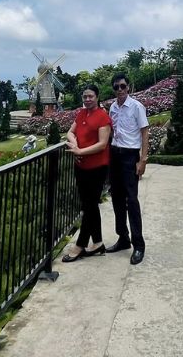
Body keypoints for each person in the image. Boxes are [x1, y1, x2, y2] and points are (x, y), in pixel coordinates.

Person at [62, 84, 112, 262]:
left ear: (97, 97)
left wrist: (80, 152)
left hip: (97, 168)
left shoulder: (102, 117)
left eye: (90, 96)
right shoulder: (81, 114)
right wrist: (74, 144)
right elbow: (70, 132)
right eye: (85, 96)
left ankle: (80, 245)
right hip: (81, 166)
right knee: (89, 204)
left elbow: (102, 144)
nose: (87, 99)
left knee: (88, 206)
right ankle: (97, 242)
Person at [107, 72, 149, 265]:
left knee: (131, 200)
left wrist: (143, 159)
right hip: (115, 155)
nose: (120, 90)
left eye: (122, 86)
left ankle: (138, 245)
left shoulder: (136, 106)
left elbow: (144, 132)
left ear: (128, 87)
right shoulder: (113, 108)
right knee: (116, 198)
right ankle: (123, 238)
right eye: (116, 87)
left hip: (130, 156)